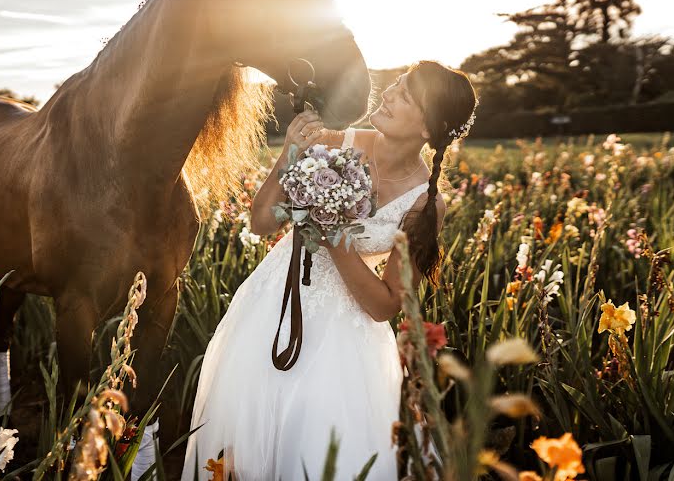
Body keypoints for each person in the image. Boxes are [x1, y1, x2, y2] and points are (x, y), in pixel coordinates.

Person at [180, 61, 477, 480]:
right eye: (395, 85)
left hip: (346, 334)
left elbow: (385, 306)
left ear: (429, 129)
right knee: (249, 438)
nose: (388, 94)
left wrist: (334, 233)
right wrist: (290, 152)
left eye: (406, 96)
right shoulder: (335, 144)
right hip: (275, 307)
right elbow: (263, 221)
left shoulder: (424, 203)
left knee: (319, 445)